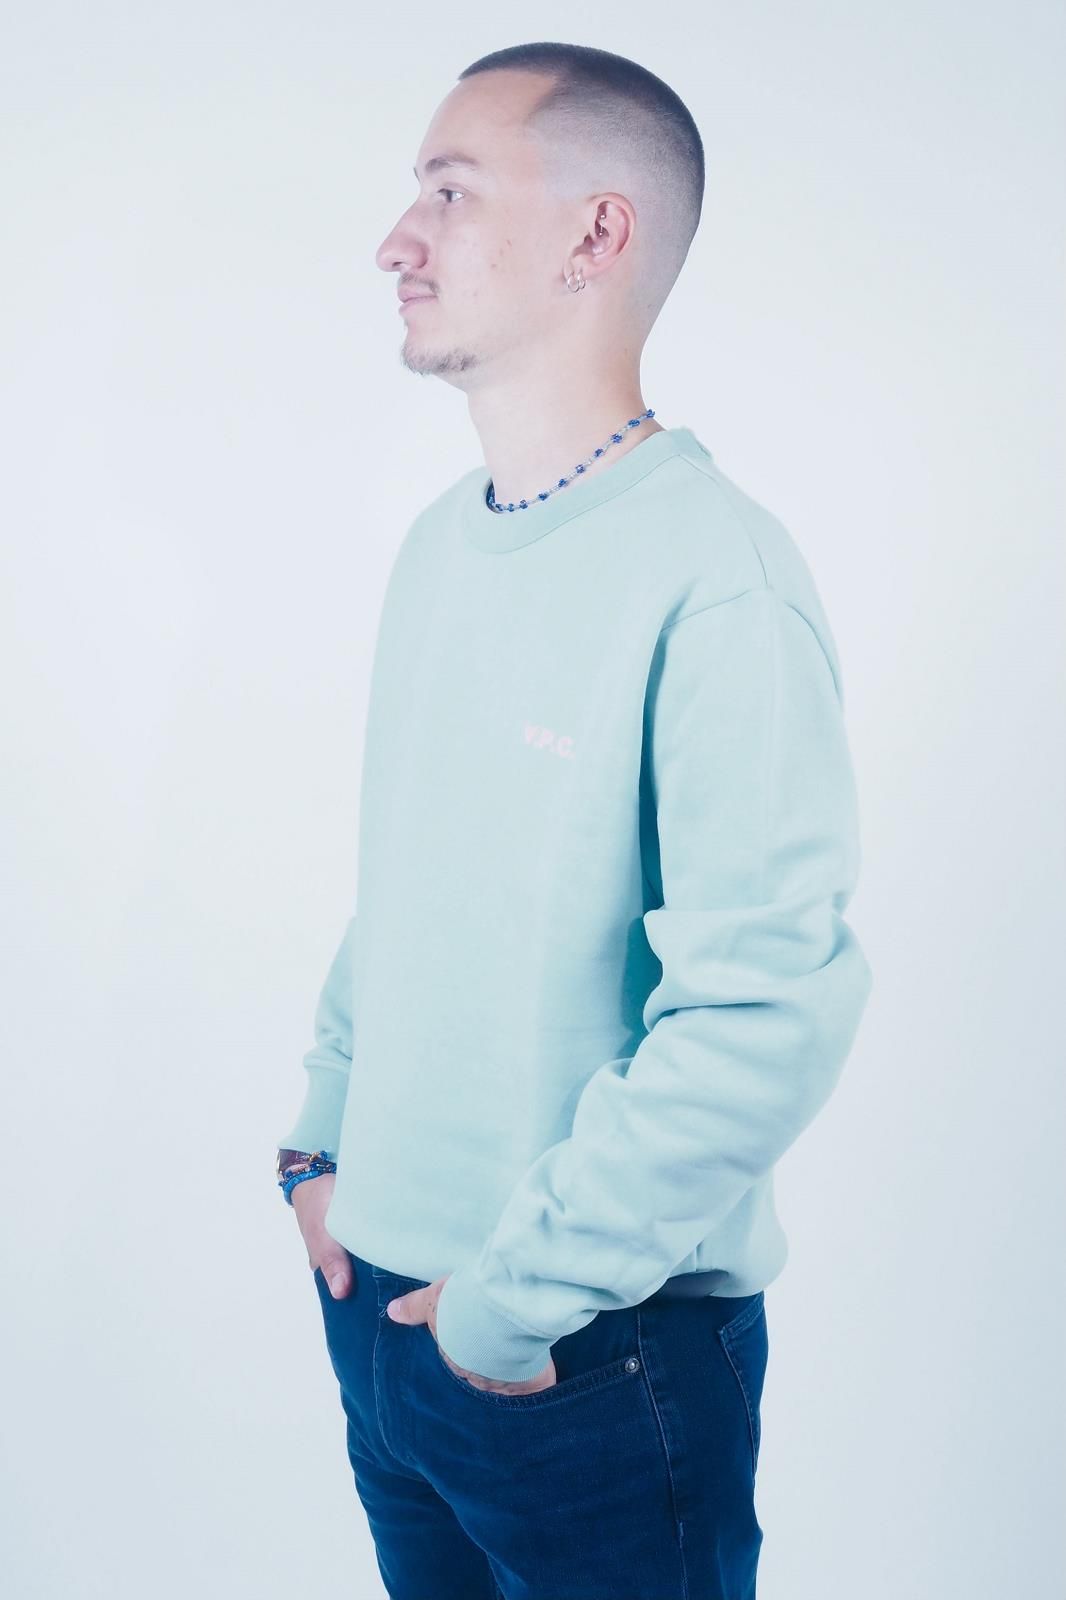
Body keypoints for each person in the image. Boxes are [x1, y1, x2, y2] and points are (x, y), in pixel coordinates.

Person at [275, 40, 873, 1600]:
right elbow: (412, 884)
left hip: (586, 1357)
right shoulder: (439, 545)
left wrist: (510, 1302)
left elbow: (761, 1012)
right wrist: (319, 1140)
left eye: (450, 191)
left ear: (595, 234)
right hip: (382, 1314)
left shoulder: (718, 578)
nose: (395, 240)